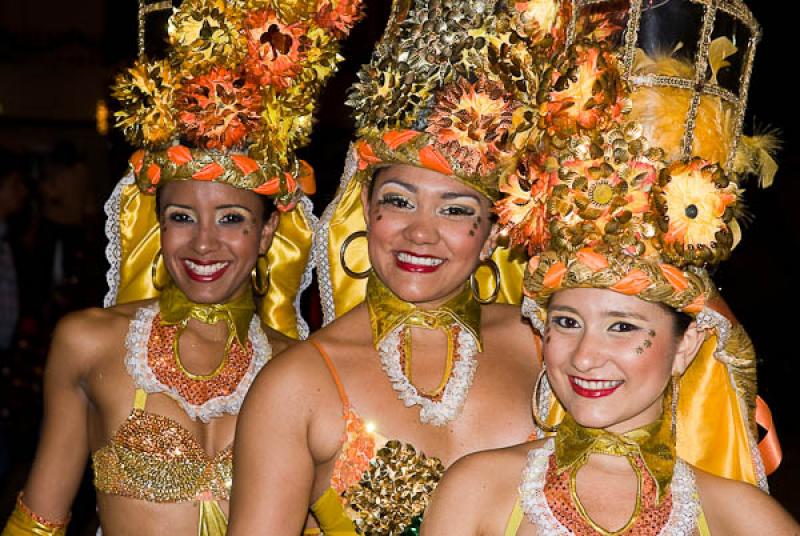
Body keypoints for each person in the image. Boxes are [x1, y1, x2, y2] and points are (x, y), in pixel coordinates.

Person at [423, 0, 792, 533]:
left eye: (622, 326)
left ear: (685, 345)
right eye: (567, 322)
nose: (585, 357)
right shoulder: (477, 491)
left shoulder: (744, 518)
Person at [1, 0, 362, 533]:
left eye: (232, 218)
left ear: (266, 233)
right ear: (158, 224)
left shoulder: (303, 371)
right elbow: (39, 521)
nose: (203, 244)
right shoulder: (88, 343)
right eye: (181, 216)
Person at [228, 0, 565, 533]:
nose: (420, 233)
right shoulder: (297, 384)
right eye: (400, 201)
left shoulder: (555, 349)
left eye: (455, 210)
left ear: (493, 233)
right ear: (366, 210)